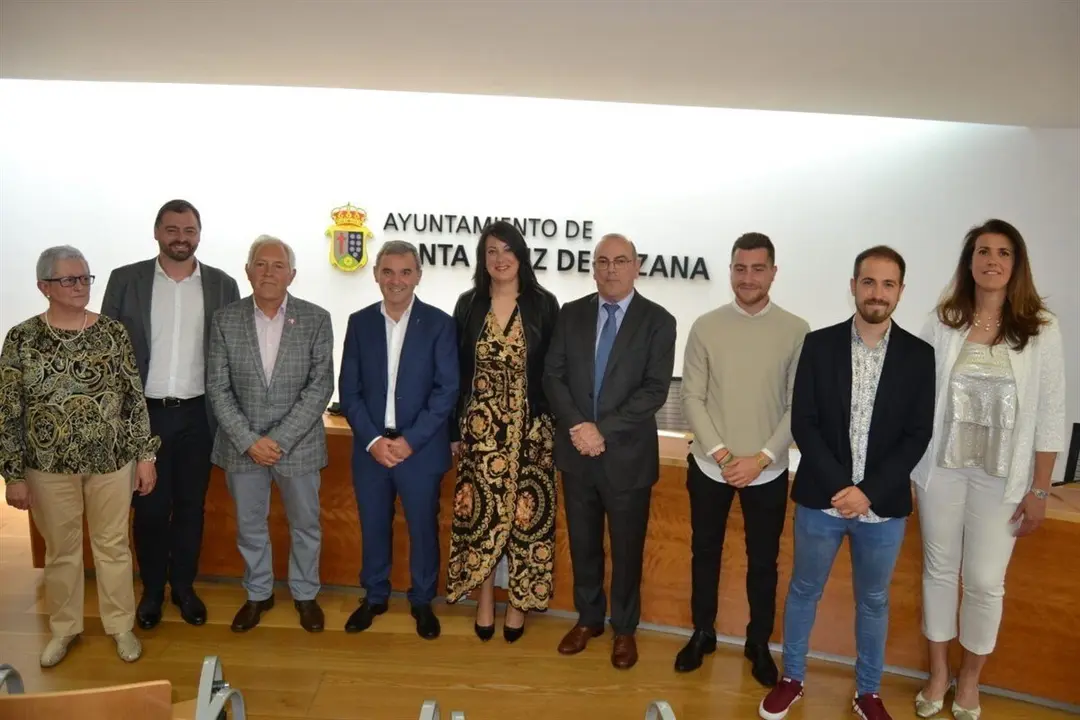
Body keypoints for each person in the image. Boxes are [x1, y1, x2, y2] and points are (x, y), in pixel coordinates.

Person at [759, 246, 935, 720]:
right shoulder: (819, 345)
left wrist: (868, 492)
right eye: (869, 282)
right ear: (854, 286)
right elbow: (804, 422)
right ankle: (792, 678)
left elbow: (918, 434)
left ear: (900, 291)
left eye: (888, 284)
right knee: (804, 590)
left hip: (883, 508)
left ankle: (868, 692)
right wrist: (843, 489)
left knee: (874, 601)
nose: (877, 292)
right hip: (822, 500)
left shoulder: (920, 356)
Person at [911, 220, 1066, 720]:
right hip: (943, 471)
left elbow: (1051, 413)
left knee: (983, 580)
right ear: (970, 261)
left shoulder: (1040, 328)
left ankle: (971, 678)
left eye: (1003, 252)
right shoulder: (944, 321)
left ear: (1016, 264)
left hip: (1003, 478)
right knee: (938, 571)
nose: (992, 260)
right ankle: (939, 673)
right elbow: (915, 394)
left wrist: (1040, 490)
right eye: (983, 251)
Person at [0, 246, 159, 667]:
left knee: (113, 546)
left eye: (85, 278)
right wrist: (12, 475)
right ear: (44, 287)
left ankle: (120, 625)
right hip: (47, 467)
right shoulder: (21, 338)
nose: (80, 286)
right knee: (61, 550)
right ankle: (64, 628)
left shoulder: (112, 333)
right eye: (69, 279)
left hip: (112, 462)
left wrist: (145, 455)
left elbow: (133, 399)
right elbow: (8, 409)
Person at [101, 199, 240, 629]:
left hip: (199, 415)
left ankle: (183, 587)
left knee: (191, 507)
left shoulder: (223, 285)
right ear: (157, 232)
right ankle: (151, 591)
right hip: (145, 414)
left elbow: (233, 352)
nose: (181, 238)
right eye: (173, 229)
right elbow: (106, 352)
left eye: (189, 230)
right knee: (149, 509)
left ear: (199, 234)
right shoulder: (126, 280)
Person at [677, 232, 809, 684]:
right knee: (704, 554)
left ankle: (758, 643)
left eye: (757, 269)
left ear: (773, 272)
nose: (747, 277)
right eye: (740, 268)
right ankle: (702, 633)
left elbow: (797, 405)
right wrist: (722, 453)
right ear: (730, 270)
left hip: (766, 471)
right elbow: (691, 397)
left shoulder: (796, 330)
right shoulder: (706, 326)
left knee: (763, 564)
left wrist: (762, 458)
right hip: (709, 466)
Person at [543, 232, 676, 670]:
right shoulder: (572, 313)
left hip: (627, 458)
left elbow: (654, 390)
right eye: (602, 261)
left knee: (626, 549)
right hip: (576, 452)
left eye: (620, 261)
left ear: (636, 266)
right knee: (583, 544)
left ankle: (624, 628)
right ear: (593, 268)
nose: (611, 269)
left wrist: (601, 430)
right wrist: (579, 427)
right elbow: (553, 376)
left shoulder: (659, 321)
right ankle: (588, 620)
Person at [205, 235, 334, 633]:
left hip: (299, 446)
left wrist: (278, 440)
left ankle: (305, 594)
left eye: (278, 266)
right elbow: (217, 387)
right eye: (260, 264)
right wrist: (249, 441)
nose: (268, 273)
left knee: (305, 525)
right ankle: (258, 593)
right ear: (248, 271)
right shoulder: (225, 319)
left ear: (291, 275)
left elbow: (320, 387)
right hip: (241, 447)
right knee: (250, 526)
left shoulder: (316, 318)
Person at [445, 221, 561, 642]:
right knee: (483, 517)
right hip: (481, 433)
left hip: (532, 432)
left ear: (521, 255)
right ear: (482, 258)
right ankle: (484, 599)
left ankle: (517, 603)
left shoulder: (544, 305)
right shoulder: (468, 304)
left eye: (508, 249)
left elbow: (555, 370)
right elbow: (455, 372)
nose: (500, 258)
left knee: (527, 521)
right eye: (491, 251)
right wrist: (454, 428)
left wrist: (552, 424)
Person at [339, 240, 458, 640]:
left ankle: (422, 600)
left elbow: (446, 391)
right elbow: (349, 391)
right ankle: (374, 596)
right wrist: (373, 440)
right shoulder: (359, 323)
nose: (396, 280)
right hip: (371, 450)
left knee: (423, 528)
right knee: (373, 525)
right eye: (388, 271)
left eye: (405, 272)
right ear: (376, 274)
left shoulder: (440, 324)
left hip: (419, 451)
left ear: (418, 276)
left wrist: (410, 441)